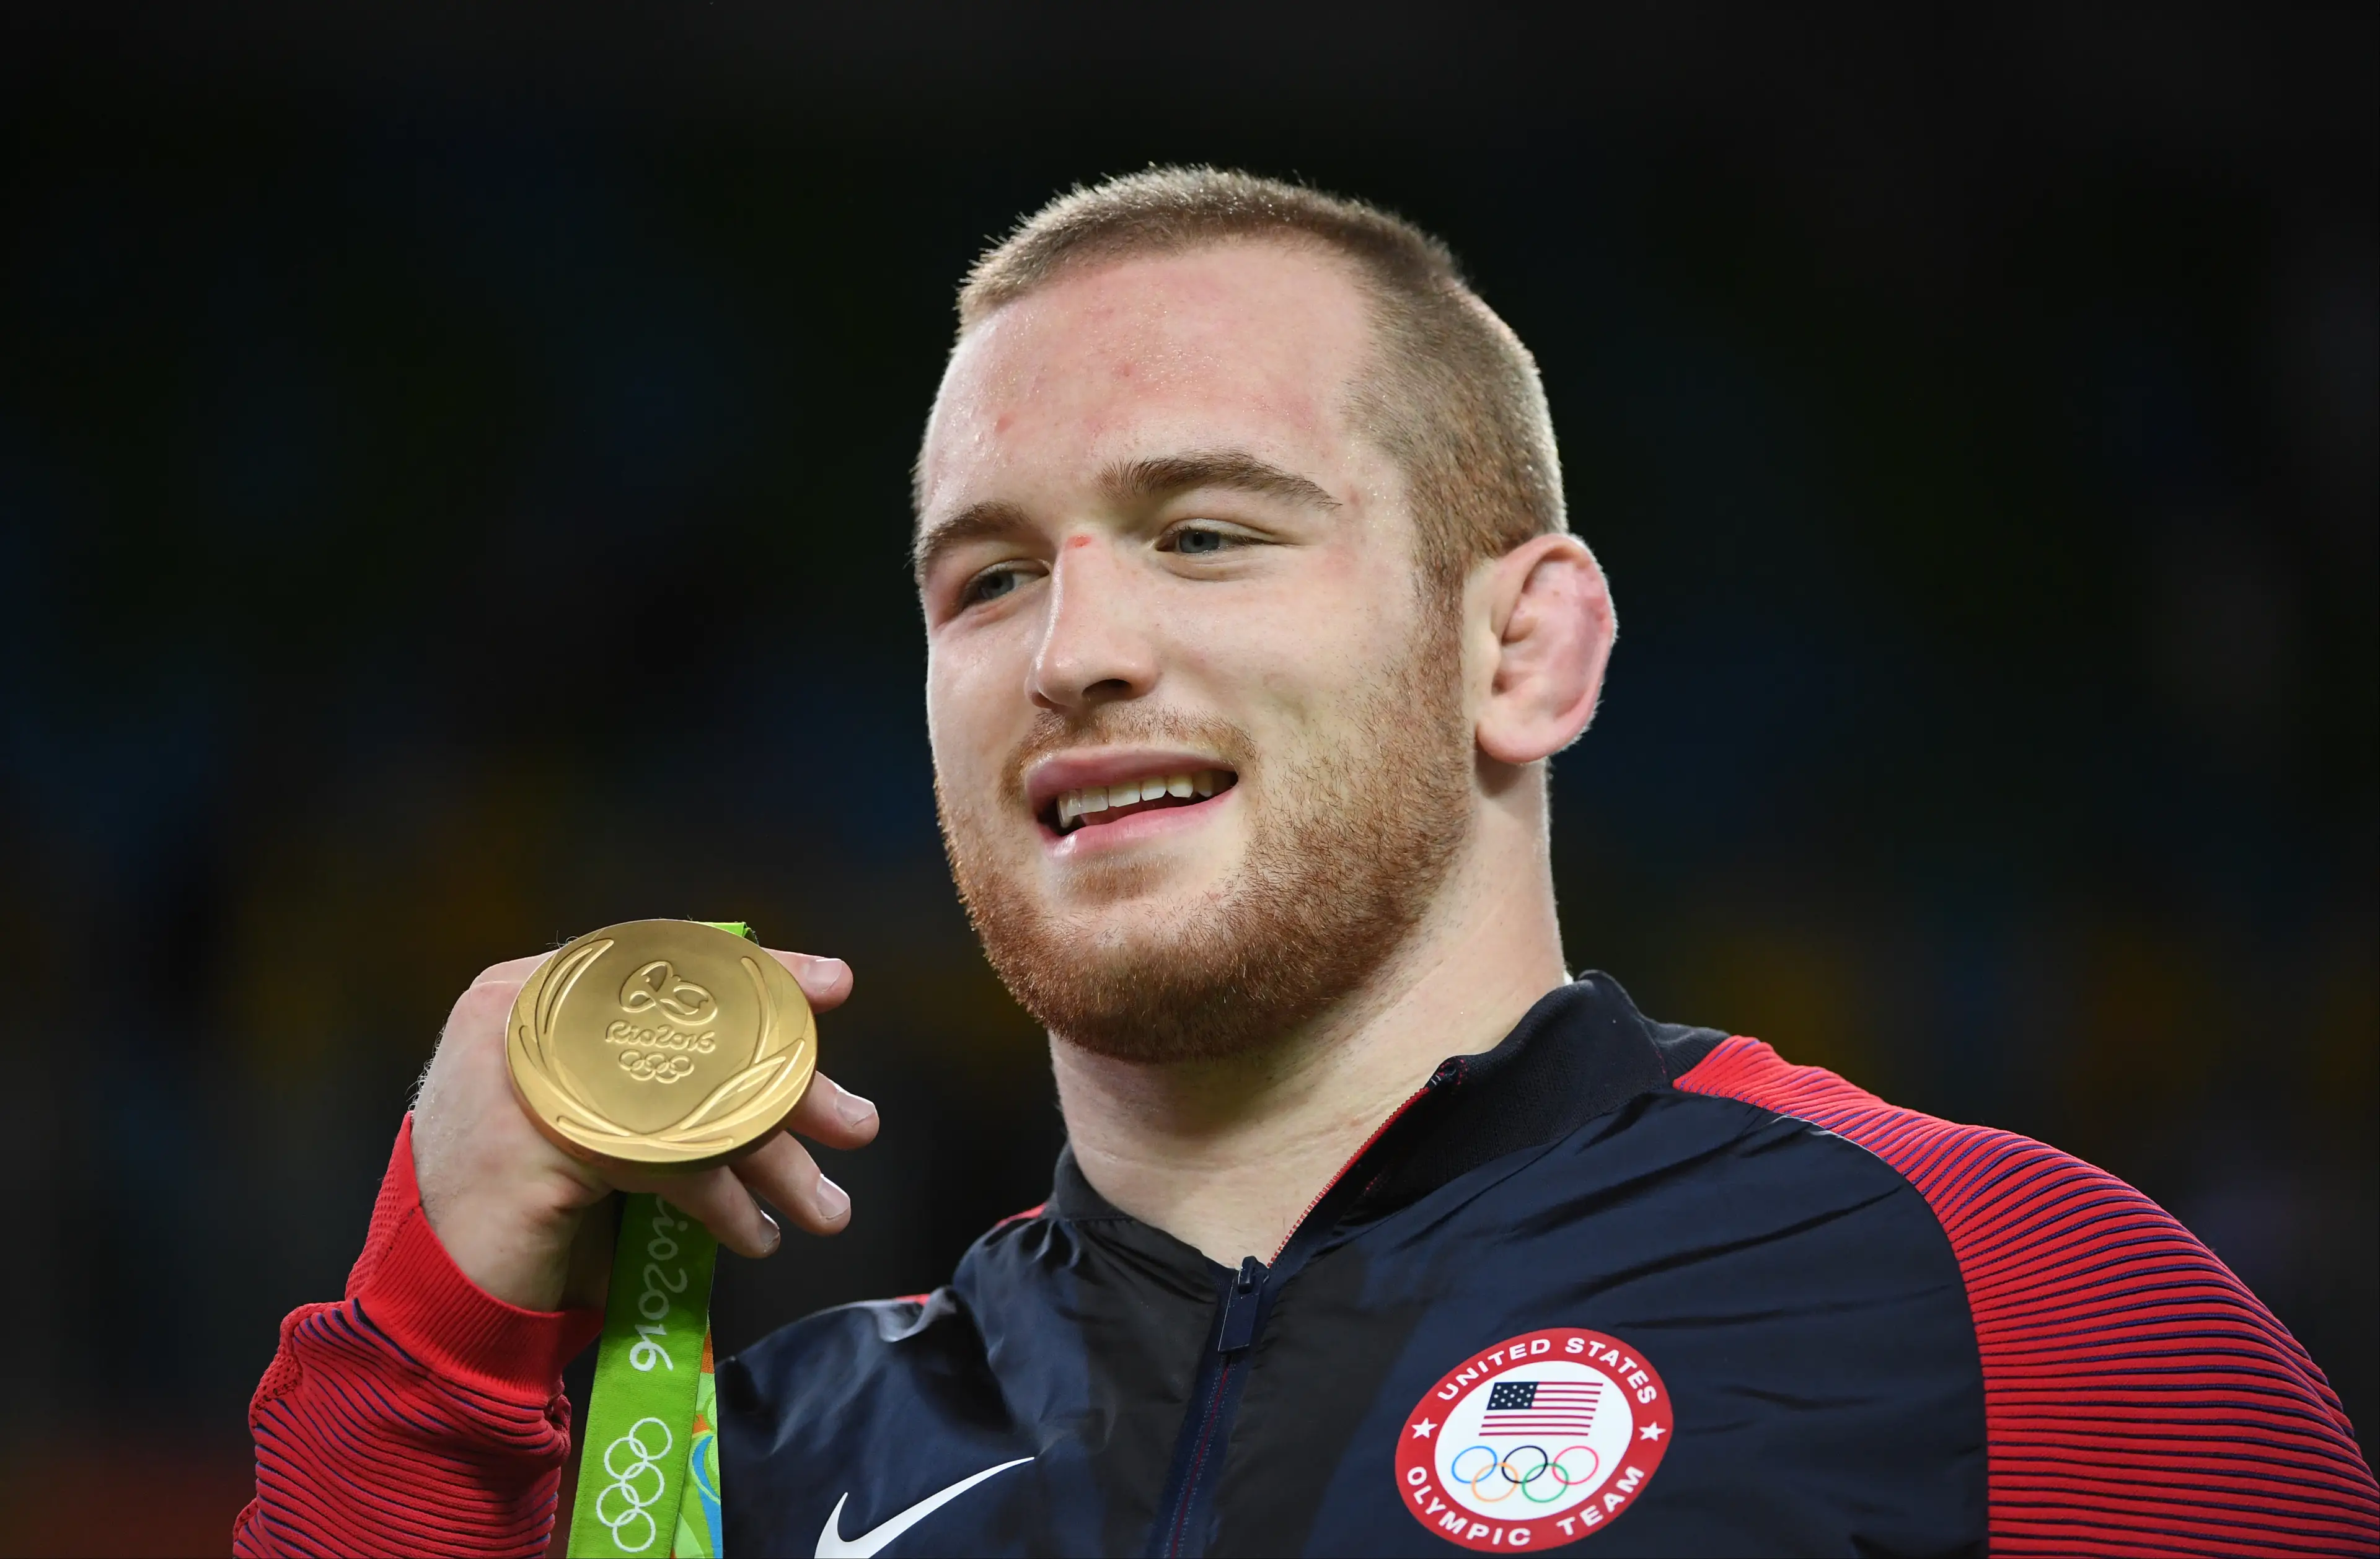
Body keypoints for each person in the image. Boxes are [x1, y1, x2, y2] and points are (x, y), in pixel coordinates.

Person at [235, 169, 2379, 1559]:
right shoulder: (753, 1469)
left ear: (1524, 648)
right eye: (987, 579)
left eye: (1204, 532)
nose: (1072, 651)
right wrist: (432, 1346)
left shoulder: (2012, 1313)